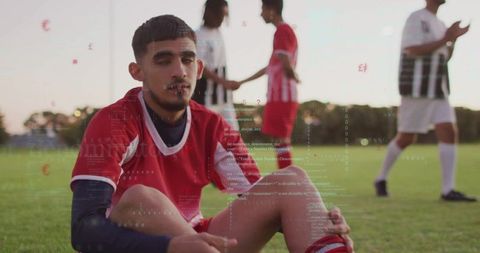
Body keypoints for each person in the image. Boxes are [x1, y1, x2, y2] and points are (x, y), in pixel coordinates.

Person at [70, 15, 354, 253]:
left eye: (187, 59)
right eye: (163, 61)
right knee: (141, 199)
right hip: (141, 244)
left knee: (292, 181)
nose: (179, 71)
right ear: (137, 71)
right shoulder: (113, 121)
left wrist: (321, 224)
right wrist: (170, 246)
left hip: (201, 241)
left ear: (200, 68)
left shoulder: (212, 126)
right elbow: (84, 230)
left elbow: (264, 200)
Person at [374, 0, 476, 202]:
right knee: (406, 138)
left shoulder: (439, 23)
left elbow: (444, 56)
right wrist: (446, 37)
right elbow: (412, 49)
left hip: (438, 87)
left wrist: (453, 39)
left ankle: (448, 190)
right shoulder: (416, 18)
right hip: (416, 87)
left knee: (448, 130)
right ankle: (381, 178)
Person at [238, 0, 300, 170]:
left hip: (283, 95)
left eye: (262, 9)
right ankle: (286, 179)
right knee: (279, 140)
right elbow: (271, 67)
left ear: (271, 10)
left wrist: (294, 76)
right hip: (278, 95)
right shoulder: (281, 32)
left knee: (282, 139)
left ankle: (287, 182)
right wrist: (242, 82)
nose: (260, 13)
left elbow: (286, 62)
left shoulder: (282, 30)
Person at [192, 0, 241, 130]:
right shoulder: (198, 35)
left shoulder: (218, 33)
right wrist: (223, 82)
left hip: (224, 99)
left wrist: (225, 84)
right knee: (206, 138)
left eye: (224, 15)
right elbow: (199, 65)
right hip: (206, 98)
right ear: (210, 13)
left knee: (234, 138)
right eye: (220, 15)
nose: (222, 19)